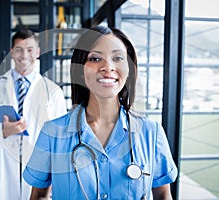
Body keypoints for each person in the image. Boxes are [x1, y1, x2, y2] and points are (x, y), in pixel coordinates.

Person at [23, 26, 178, 200]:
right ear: (80, 69)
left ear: (129, 69)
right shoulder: (52, 133)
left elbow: (163, 195)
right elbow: (39, 196)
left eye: (118, 58)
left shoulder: (151, 133)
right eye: (95, 58)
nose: (107, 67)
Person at [0, 29, 67, 200]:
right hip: (2, 169)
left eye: (30, 49)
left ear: (37, 52)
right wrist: (3, 132)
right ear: (12, 52)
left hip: (39, 171)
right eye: (19, 49)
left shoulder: (52, 91)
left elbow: (61, 139)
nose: (24, 55)